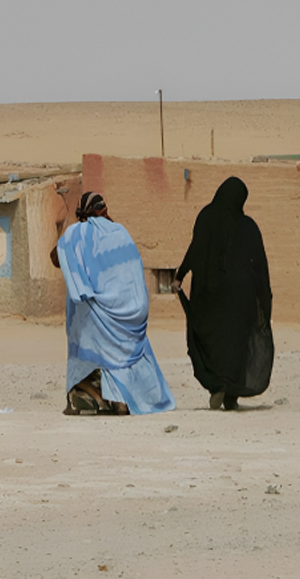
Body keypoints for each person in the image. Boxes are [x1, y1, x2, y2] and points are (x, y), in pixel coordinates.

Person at [54, 192, 175, 415]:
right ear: (102, 210)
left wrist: (73, 238)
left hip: (94, 315)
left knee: (87, 334)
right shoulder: (119, 231)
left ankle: (93, 396)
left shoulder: (74, 234)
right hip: (129, 313)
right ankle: (119, 399)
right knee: (116, 351)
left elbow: (55, 258)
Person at [176, 177, 274, 410]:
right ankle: (232, 393)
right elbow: (260, 265)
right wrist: (264, 298)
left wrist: (180, 274)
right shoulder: (248, 226)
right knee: (237, 344)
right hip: (241, 299)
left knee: (213, 341)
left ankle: (217, 385)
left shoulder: (207, 217)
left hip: (209, 296)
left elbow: (196, 247)